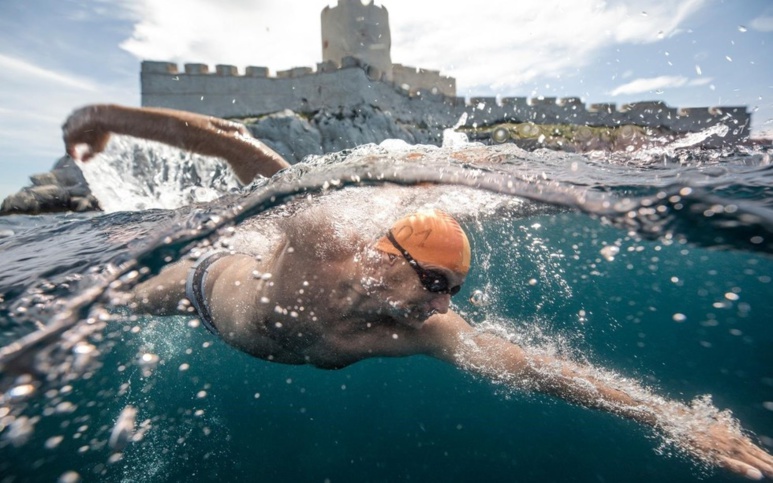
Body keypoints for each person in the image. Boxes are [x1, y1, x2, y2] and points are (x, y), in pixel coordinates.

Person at [64, 104, 773, 480]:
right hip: (203, 284)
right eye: (433, 282)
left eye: (452, 289)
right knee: (98, 305)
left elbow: (534, 367)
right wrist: (104, 117)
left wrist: (673, 419)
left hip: (255, 305)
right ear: (389, 253)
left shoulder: (423, 329)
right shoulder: (319, 239)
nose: (442, 304)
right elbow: (234, 139)